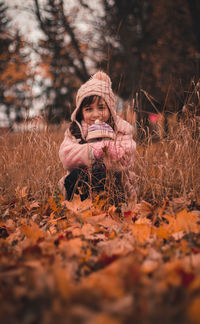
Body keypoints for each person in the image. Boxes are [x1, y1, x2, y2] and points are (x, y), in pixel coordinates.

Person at [58, 71, 136, 204]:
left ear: (110, 108)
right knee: (75, 177)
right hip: (84, 181)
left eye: (101, 108)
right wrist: (91, 151)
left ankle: (114, 209)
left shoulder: (121, 129)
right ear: (80, 112)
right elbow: (66, 157)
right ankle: (77, 208)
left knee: (110, 176)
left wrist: (110, 151)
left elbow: (127, 157)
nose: (96, 114)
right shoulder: (75, 131)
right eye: (89, 109)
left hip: (113, 180)